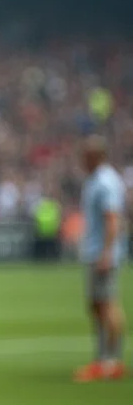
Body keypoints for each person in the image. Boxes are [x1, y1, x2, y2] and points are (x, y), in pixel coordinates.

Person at [73, 135, 128, 382]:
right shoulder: (97, 180)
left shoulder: (105, 182)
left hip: (102, 253)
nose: (81, 160)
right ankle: (104, 358)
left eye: (85, 155)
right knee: (97, 305)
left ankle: (111, 361)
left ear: (95, 155)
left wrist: (107, 252)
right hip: (96, 251)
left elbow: (113, 219)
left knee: (107, 304)